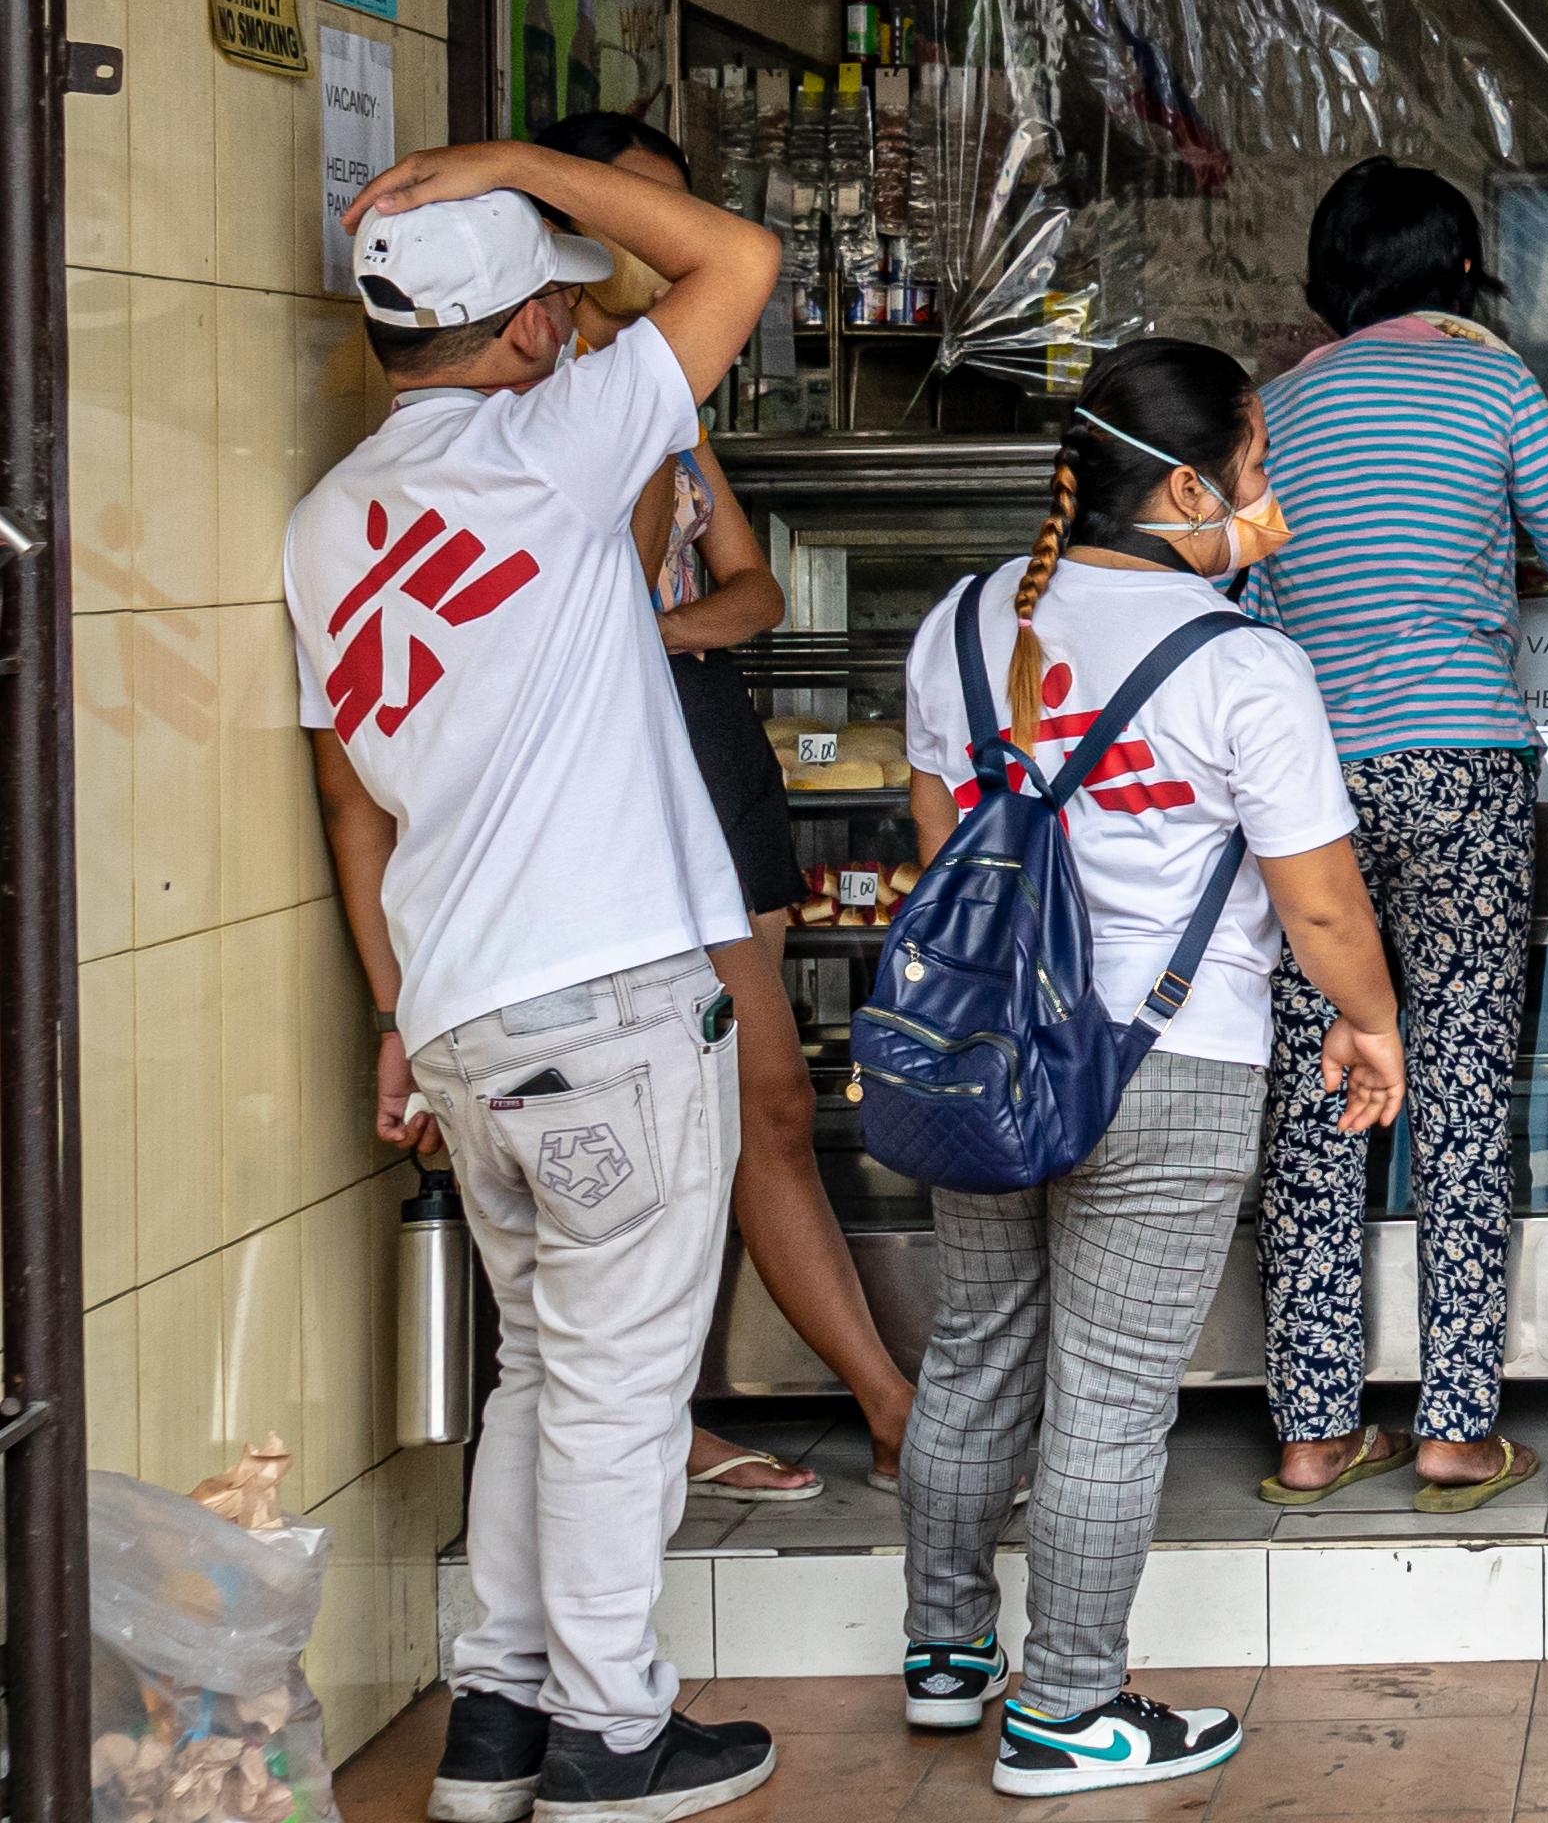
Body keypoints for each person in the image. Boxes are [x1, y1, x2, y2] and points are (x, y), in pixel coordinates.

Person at [292, 140, 784, 1823]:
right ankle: (611, 1732)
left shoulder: (323, 525)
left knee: (541, 1374)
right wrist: (503, 156)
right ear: (516, 336)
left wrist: (393, 1016)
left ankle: (496, 1725)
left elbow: (353, 796)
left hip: (464, 1017)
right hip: (612, 1010)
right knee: (621, 1389)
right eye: (561, 307)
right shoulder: (550, 452)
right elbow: (738, 259)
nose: (582, 332)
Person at [894, 340, 1410, 1790]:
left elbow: (948, 843)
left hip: (990, 1046)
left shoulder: (962, 621)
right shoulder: (1243, 661)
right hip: (1169, 1057)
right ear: (1185, 481)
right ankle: (1064, 1711)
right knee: (1113, 1395)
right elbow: (1317, 899)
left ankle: (947, 1658)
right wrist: (1370, 1023)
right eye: (1253, 469)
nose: (1265, 495)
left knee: (978, 1347)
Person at [534, 110, 921, 1502]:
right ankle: (873, 1403)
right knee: (737, 1099)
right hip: (623, 769)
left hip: (708, 744)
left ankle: (806, 1405)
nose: (662, 248)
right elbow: (622, 582)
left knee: (749, 1104)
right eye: (636, 219)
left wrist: (683, 635)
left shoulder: (655, 402)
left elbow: (741, 589)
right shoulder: (554, 405)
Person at [1241, 157, 1548, 1513]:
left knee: (1320, 1096)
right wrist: (1477, 560)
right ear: (1461, 272)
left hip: (1306, 792)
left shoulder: (1272, 410)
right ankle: (1458, 1427)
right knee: (1460, 1089)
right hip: (1466, 764)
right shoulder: (1494, 384)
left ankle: (1310, 1428)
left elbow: (1241, 590)